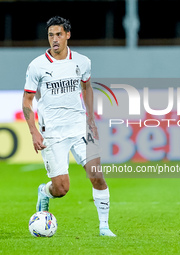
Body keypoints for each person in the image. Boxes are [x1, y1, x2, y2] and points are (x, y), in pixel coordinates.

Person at [22, 16, 116, 237]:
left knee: (97, 175)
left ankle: (104, 227)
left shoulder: (82, 62)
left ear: (67, 35)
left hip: (79, 127)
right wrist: (33, 131)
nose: (54, 40)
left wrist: (90, 119)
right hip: (52, 132)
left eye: (58, 34)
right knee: (62, 189)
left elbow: (87, 87)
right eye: (51, 35)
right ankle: (44, 192)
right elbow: (27, 101)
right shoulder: (37, 66)